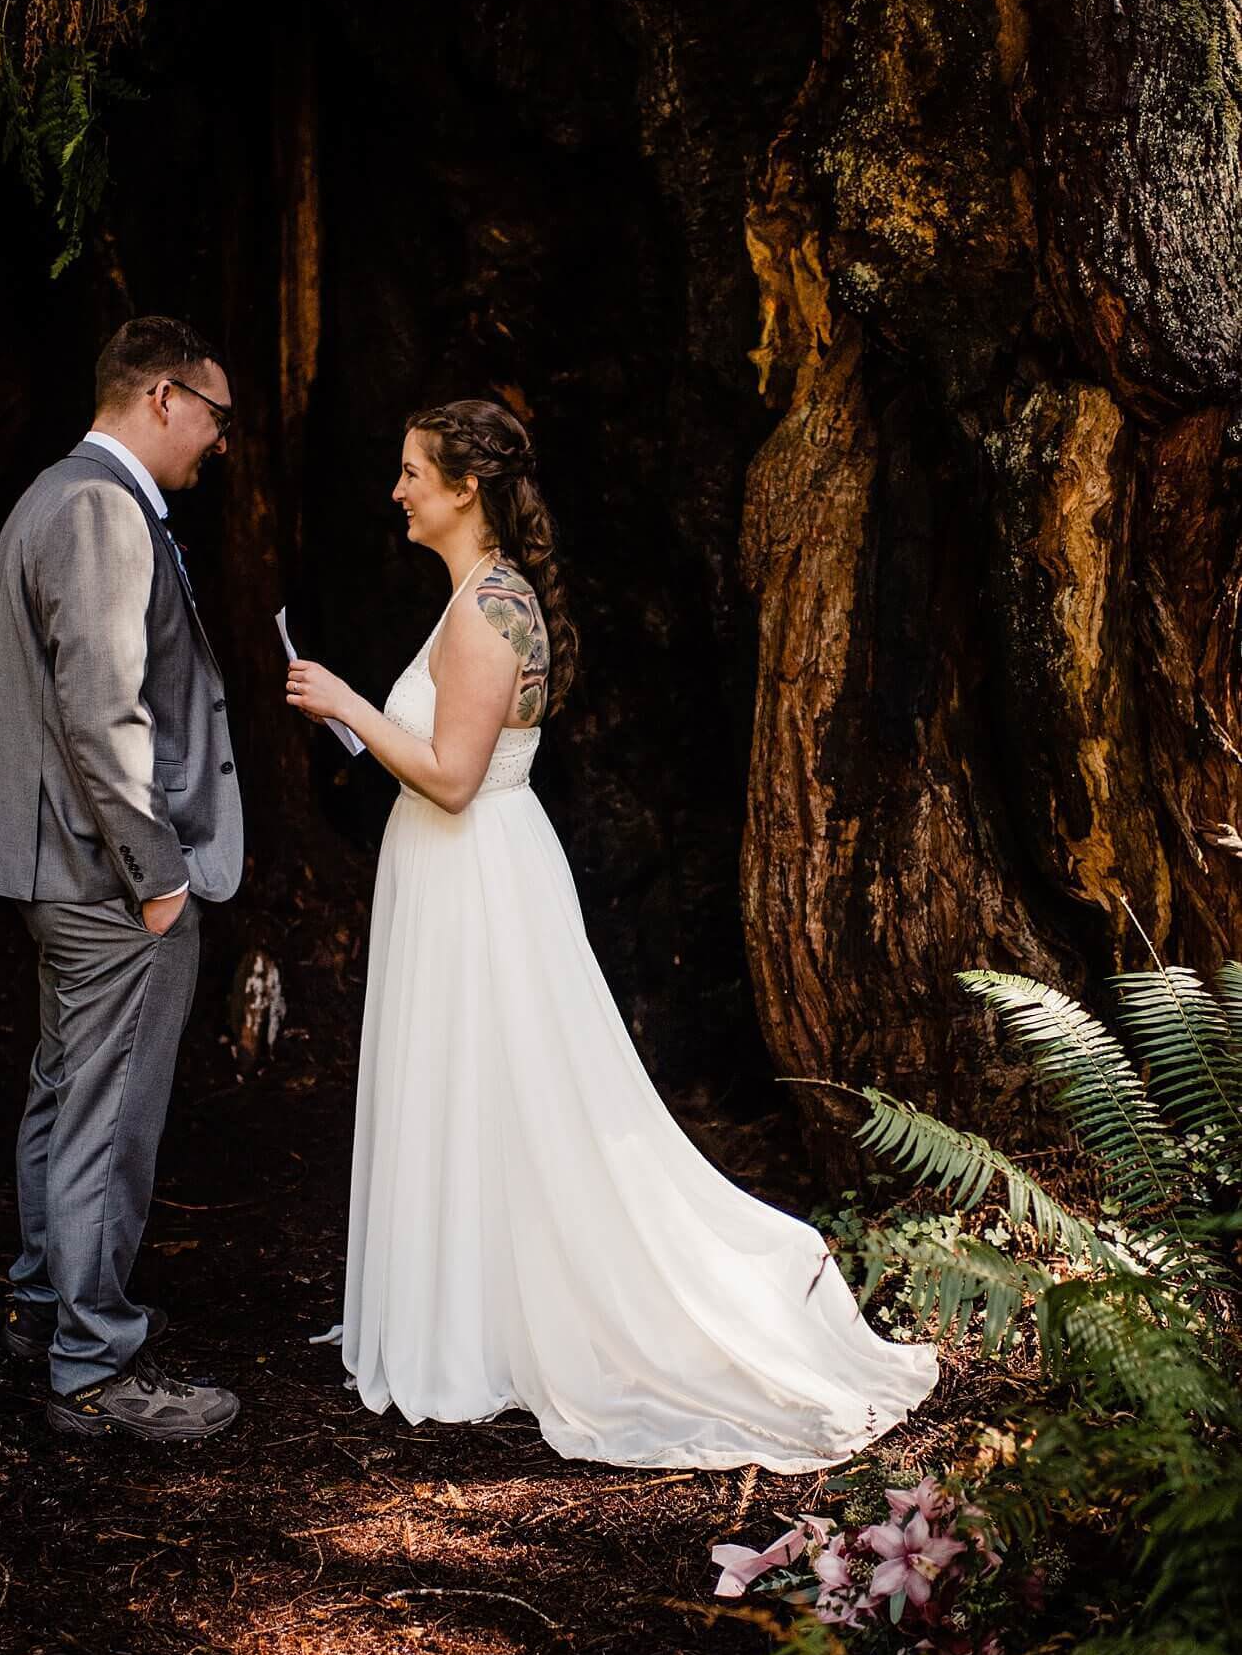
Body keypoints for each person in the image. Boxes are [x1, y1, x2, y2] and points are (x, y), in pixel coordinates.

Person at [284, 398, 938, 1469]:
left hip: (477, 876)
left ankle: (540, 1318)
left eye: (412, 473)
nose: (396, 491)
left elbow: (451, 779)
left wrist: (350, 707)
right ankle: (465, 1310)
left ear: (466, 489)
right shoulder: (472, 600)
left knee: (515, 1094)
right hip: (456, 879)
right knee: (471, 1094)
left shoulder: (491, 611)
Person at [0, 316, 244, 1443]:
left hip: (64, 869)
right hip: (108, 878)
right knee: (108, 1114)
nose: (222, 442)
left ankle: (43, 1313)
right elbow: (103, 708)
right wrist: (159, 875)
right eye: (218, 418)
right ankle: (94, 1371)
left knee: (63, 1091)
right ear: (167, 398)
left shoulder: (54, 494)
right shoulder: (95, 507)